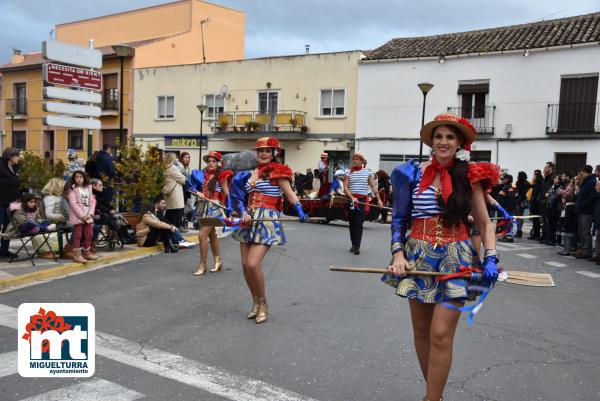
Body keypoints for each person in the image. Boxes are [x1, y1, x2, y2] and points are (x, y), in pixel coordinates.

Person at [383, 113, 500, 401]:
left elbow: (485, 223)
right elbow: (398, 220)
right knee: (421, 330)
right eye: (438, 136)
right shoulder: (409, 174)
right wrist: (398, 253)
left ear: (459, 142)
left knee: (440, 334)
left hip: (456, 257)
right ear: (431, 141)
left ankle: (431, 399)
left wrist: (491, 257)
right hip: (418, 256)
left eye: (450, 137)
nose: (443, 142)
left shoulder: (469, 176)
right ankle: (434, 393)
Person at [230, 137, 309, 324]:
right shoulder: (250, 172)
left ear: (275, 153)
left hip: (266, 220)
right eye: (260, 150)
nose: (263, 153)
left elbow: (290, 194)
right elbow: (239, 196)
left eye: (268, 150)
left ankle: (263, 303)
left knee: (252, 264)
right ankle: (255, 302)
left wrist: (299, 209)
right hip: (249, 219)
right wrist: (242, 212)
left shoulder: (278, 171)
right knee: (244, 266)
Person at [191, 151, 233, 276]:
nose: (210, 163)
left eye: (213, 161)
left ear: (218, 163)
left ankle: (202, 265)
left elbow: (227, 193)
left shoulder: (222, 176)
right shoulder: (205, 175)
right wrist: (197, 192)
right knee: (212, 234)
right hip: (204, 207)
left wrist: (229, 207)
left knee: (202, 235)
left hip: (214, 208)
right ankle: (218, 261)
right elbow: (192, 187)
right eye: (209, 161)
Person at [343, 153, 383, 254]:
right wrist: (352, 197)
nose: (355, 161)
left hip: (361, 201)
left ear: (361, 161)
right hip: (351, 200)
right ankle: (353, 244)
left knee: (358, 223)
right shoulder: (348, 172)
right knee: (352, 223)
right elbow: (346, 187)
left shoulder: (367, 172)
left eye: (357, 159)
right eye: (354, 159)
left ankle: (357, 246)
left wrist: (379, 199)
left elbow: (373, 187)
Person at [64, 170, 98, 264]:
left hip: (88, 216)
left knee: (89, 234)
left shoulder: (88, 188)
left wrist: (90, 214)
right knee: (78, 236)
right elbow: (73, 204)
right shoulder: (72, 190)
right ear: (73, 179)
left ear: (84, 178)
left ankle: (86, 252)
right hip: (78, 217)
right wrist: (82, 216)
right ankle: (77, 255)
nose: (78, 179)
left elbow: (92, 202)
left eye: (80, 177)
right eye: (76, 177)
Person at [0, 148, 21, 258]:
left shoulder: (14, 168)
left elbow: (16, 185)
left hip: (12, 202)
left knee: (9, 227)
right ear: (10, 157)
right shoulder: (1, 166)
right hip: (1, 201)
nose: (19, 158)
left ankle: (4, 250)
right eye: (17, 156)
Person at [575, 165, 597, 259]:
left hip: (587, 211)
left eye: (582, 173)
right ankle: (582, 249)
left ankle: (587, 251)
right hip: (581, 210)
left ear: (586, 172)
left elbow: (592, 197)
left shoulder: (592, 182)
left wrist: (583, 204)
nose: (581, 174)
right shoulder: (585, 182)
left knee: (585, 231)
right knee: (581, 231)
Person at [163, 153, 187, 231]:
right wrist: (184, 177)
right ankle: (179, 226)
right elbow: (182, 179)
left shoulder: (164, 168)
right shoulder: (173, 168)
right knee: (178, 210)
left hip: (168, 192)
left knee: (170, 211)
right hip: (175, 192)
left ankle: (168, 226)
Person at [539, 162, 556, 244]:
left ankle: (548, 237)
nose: (544, 169)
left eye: (546, 167)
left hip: (547, 202)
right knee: (544, 221)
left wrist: (546, 198)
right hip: (543, 202)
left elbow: (551, 190)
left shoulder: (553, 178)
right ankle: (544, 236)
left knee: (547, 221)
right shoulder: (546, 177)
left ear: (550, 168)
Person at [527, 169, 543, 240]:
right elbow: (530, 185)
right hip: (533, 204)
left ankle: (537, 234)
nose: (534, 176)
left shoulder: (539, 184)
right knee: (534, 220)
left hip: (537, 205)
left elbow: (536, 195)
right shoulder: (536, 184)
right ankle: (535, 234)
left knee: (537, 221)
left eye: (535, 175)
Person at [514, 171, 531, 237]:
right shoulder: (526, 183)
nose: (517, 177)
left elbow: (521, 194)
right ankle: (519, 230)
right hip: (520, 201)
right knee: (519, 217)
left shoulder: (522, 184)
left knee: (519, 217)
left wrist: (517, 201)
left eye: (518, 175)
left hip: (519, 202)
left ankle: (519, 230)